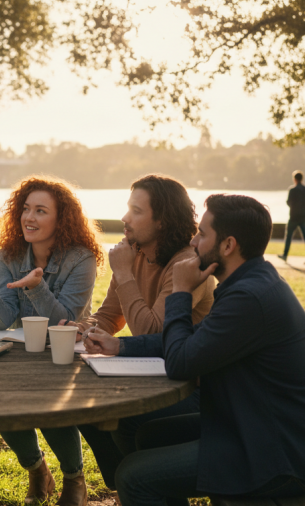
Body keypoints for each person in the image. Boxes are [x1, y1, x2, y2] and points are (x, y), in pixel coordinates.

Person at [111, 194, 305, 505]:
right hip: (247, 424)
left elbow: (180, 362)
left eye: (202, 233)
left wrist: (181, 292)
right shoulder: (249, 284)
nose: (194, 241)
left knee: (133, 475)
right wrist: (119, 345)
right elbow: (197, 337)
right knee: (148, 434)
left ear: (228, 246)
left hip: (276, 452)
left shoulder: (250, 297)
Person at [0, 175, 103, 506]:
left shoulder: (81, 258)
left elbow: (64, 321)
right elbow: (4, 320)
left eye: (41, 211)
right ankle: (36, 469)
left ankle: (74, 477)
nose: (29, 218)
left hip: (64, 349)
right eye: (25, 209)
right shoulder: (10, 254)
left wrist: (36, 286)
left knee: (51, 404)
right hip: (22, 347)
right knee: (0, 399)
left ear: (61, 219)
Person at [66, 174, 214, 491]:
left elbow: (154, 329)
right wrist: (83, 330)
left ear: (161, 221)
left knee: (118, 416)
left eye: (136, 211)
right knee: (80, 406)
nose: (124, 218)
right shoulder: (133, 254)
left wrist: (122, 271)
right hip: (153, 373)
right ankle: (131, 489)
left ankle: (142, 487)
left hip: (192, 388)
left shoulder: (187, 266)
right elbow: (110, 315)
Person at [278, 170, 305, 264]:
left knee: (289, 236)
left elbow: (288, 202)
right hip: (304, 216)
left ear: (294, 179)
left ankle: (285, 255)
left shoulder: (292, 190)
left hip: (293, 216)